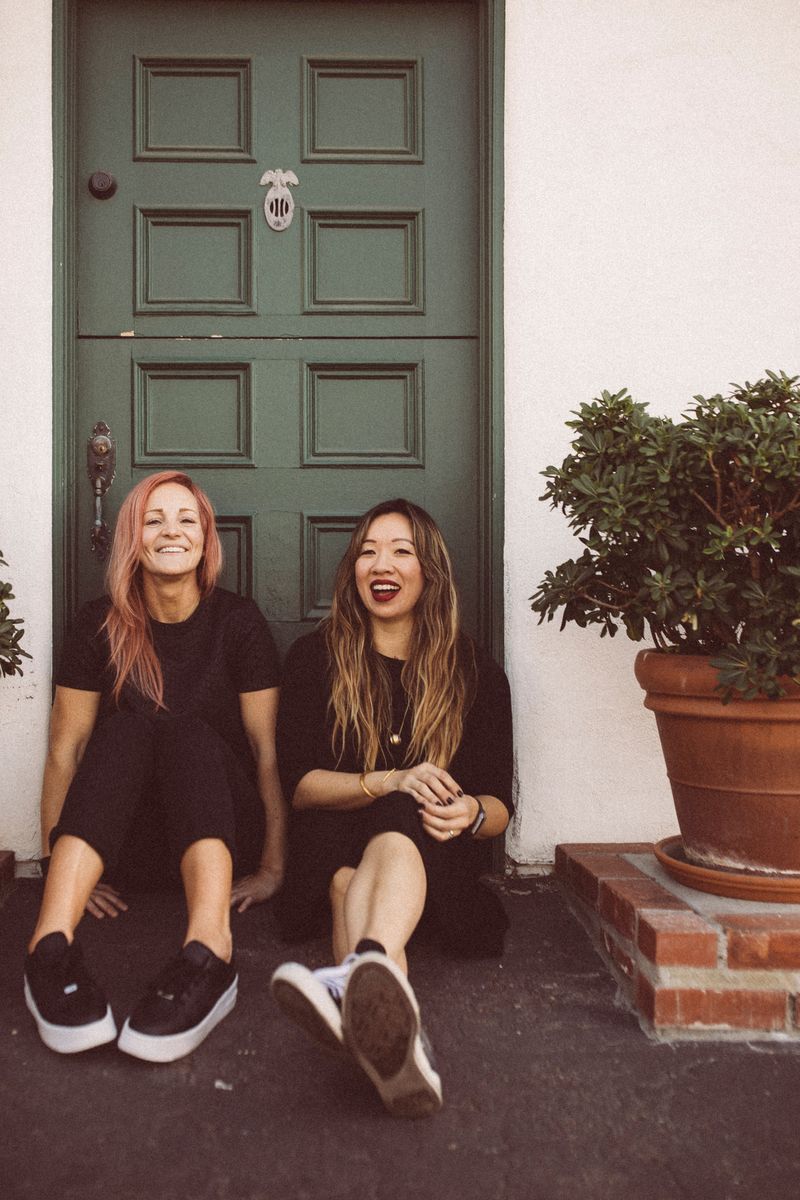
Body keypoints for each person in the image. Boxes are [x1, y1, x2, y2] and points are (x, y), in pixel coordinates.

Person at [24, 470, 285, 1062]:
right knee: (127, 728)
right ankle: (50, 945)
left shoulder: (237, 623)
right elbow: (65, 750)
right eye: (153, 519)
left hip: (220, 838)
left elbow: (266, 754)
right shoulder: (99, 624)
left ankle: (210, 950)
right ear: (131, 538)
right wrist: (57, 859)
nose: (171, 531)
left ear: (206, 539)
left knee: (186, 731)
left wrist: (273, 867)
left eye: (187, 519)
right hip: (131, 849)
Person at [271, 498, 513, 1118]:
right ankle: (390, 1008)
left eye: (402, 551)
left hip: (428, 860)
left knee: (388, 834)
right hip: (332, 845)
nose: (382, 564)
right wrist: (388, 779)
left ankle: (356, 976)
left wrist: (470, 814)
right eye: (368, 551)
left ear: (429, 571)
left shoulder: (474, 671)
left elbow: (498, 806)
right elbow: (301, 786)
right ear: (353, 570)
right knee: (345, 873)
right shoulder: (315, 658)